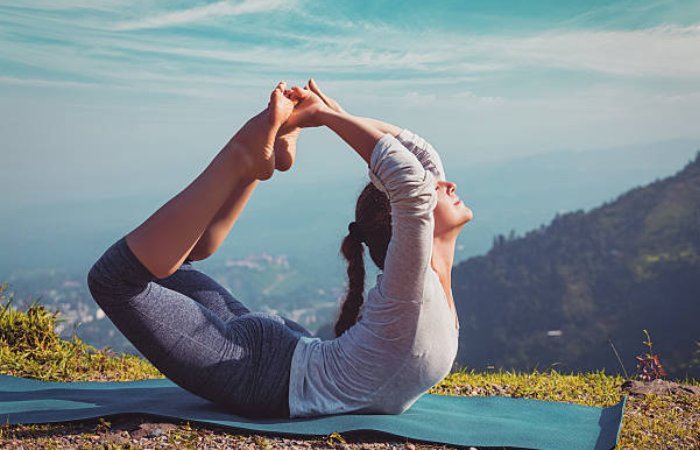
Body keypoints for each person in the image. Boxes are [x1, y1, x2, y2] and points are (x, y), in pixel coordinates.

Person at [87, 80, 473, 419]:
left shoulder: (414, 285)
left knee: (148, 270)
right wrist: (331, 115)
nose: (447, 183)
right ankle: (243, 159)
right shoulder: (414, 286)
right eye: (436, 186)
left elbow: (415, 172)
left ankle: (251, 165)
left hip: (273, 361)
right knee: (120, 278)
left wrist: (327, 116)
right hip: (265, 369)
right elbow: (415, 169)